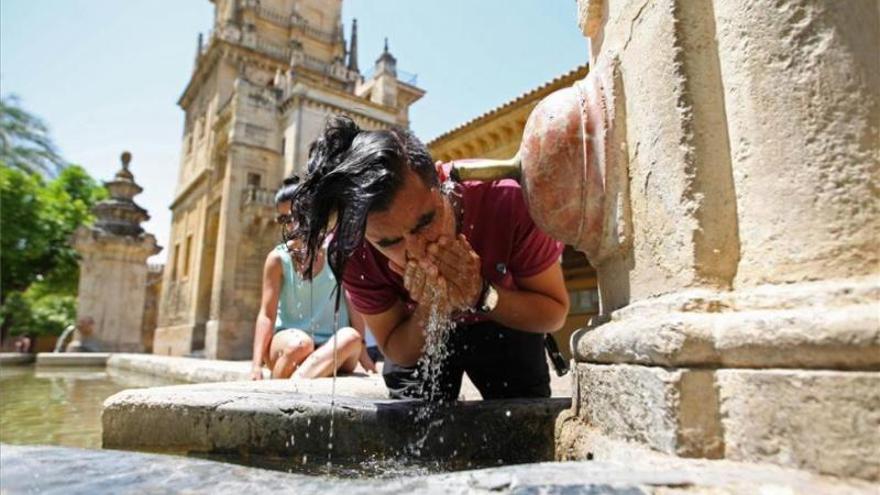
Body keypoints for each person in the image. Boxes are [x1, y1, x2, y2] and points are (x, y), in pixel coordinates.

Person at [290, 116, 569, 400]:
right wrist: (430, 308)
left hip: (504, 322)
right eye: (390, 242)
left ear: (441, 180)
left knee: (523, 422)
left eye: (425, 222)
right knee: (409, 425)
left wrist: (480, 293)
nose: (418, 249)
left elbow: (553, 312)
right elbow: (395, 346)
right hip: (415, 329)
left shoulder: (506, 200)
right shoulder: (353, 250)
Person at [250, 176, 376, 380]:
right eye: (284, 220)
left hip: (332, 348)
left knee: (350, 337)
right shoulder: (277, 259)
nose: (291, 226)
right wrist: (256, 365)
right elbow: (267, 314)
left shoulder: (337, 255)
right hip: (289, 344)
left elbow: (354, 306)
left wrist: (364, 356)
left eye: (295, 216)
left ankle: (288, 386)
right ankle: (295, 384)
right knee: (301, 344)